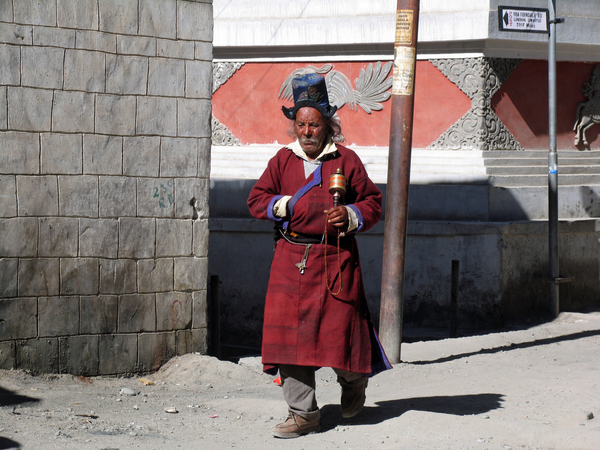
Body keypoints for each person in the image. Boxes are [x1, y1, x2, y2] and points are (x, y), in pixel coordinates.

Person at [247, 72, 391, 439]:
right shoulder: (282, 161)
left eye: (314, 124)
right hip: (290, 258)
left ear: (328, 125)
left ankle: (354, 380)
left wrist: (352, 215)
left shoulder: (347, 160)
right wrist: (284, 205)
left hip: (335, 260)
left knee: (338, 335)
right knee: (288, 340)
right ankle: (303, 413)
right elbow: (257, 200)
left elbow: (373, 202)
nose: (307, 132)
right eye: (301, 124)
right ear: (294, 126)